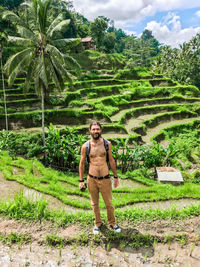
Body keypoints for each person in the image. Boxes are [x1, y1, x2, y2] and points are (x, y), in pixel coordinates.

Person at [79, 121, 121, 234]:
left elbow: (111, 160)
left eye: (97, 129)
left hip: (105, 178)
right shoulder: (86, 146)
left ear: (101, 130)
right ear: (90, 131)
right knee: (94, 203)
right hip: (91, 179)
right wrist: (81, 180)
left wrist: (116, 176)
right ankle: (97, 223)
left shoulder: (107, 144)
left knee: (109, 203)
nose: (95, 131)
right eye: (93, 129)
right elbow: (82, 163)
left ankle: (112, 223)